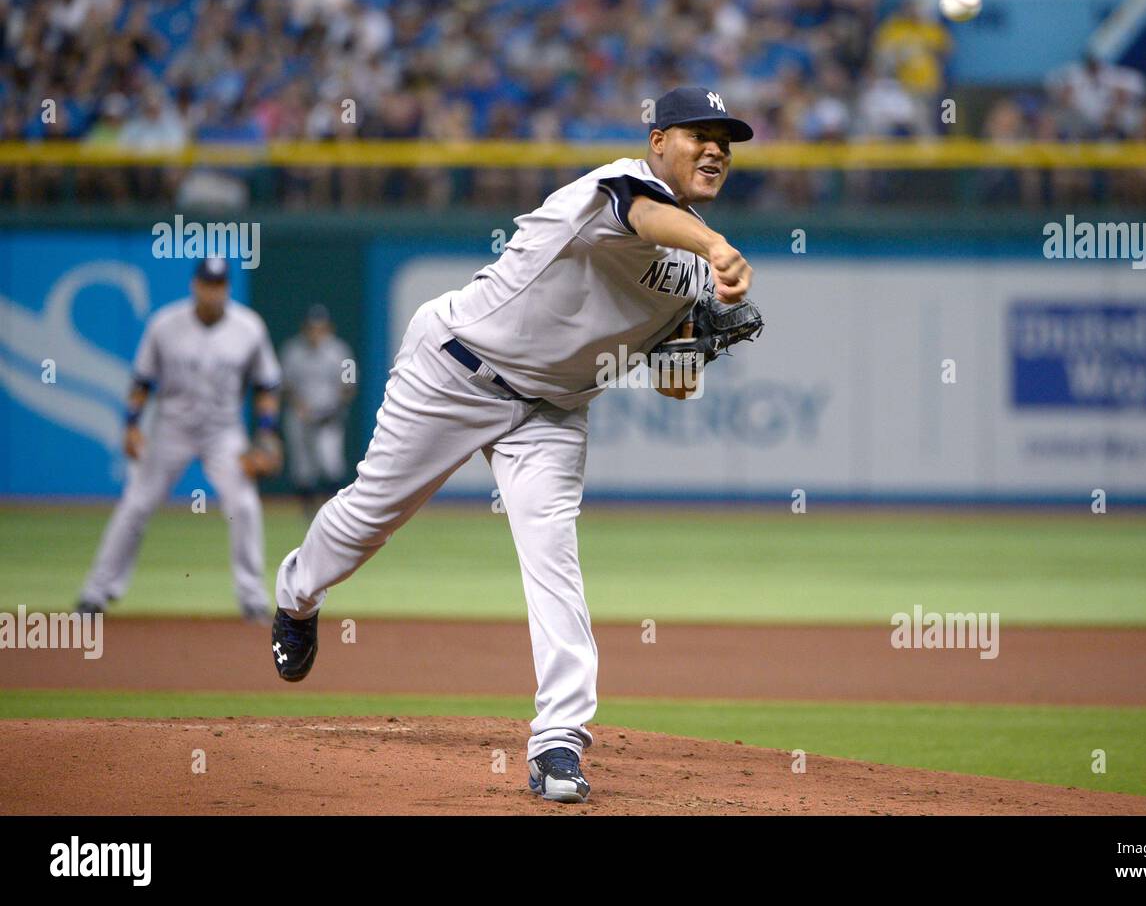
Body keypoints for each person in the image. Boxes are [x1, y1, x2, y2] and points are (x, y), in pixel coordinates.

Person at [271, 87, 754, 804]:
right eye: (698, 134)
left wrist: (701, 343)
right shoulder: (619, 187)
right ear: (658, 141)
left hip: (552, 412)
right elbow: (643, 217)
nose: (715, 148)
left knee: (552, 553)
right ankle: (297, 595)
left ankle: (559, 740)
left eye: (726, 139)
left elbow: (674, 388)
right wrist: (716, 245)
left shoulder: (692, 275)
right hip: (457, 367)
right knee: (371, 515)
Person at [76, 257, 282, 622]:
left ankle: (252, 599)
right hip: (171, 428)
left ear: (228, 288)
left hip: (223, 432)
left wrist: (265, 436)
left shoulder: (249, 328)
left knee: (245, 507)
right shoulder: (165, 325)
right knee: (136, 505)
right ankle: (96, 593)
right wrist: (131, 425)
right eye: (207, 283)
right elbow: (142, 382)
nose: (212, 290)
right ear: (194, 285)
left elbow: (267, 385)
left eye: (219, 284)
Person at [280, 305, 356, 517]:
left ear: (328, 328)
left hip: (329, 416)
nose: (315, 332)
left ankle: (334, 512)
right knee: (302, 466)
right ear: (305, 328)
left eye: (320, 327)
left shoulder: (339, 351)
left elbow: (349, 385)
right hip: (300, 416)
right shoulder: (292, 351)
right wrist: (299, 406)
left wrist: (334, 409)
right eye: (312, 327)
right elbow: (285, 385)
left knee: (330, 462)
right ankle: (308, 513)